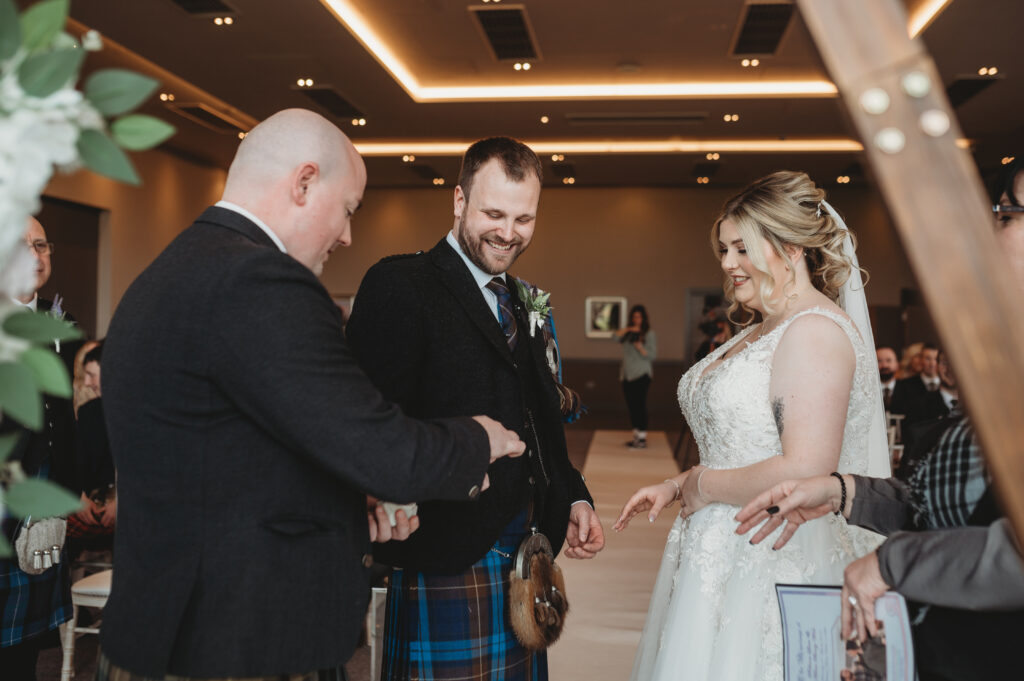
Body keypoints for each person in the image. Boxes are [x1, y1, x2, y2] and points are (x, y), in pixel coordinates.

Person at [97, 110, 526, 681]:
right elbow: (381, 448)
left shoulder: (169, 272)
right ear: (303, 183)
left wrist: (354, 504)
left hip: (165, 626)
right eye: (348, 209)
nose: (347, 235)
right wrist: (479, 436)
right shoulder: (262, 282)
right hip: (238, 642)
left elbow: (232, 460)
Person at [735, 157, 1024, 681]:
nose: (992, 228)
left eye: (1008, 214)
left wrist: (894, 563)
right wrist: (843, 492)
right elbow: (943, 504)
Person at [346, 136, 604, 681]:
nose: (508, 233)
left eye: (523, 218)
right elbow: (369, 420)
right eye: (493, 213)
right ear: (458, 201)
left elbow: (540, 417)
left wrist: (572, 492)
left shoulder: (527, 299)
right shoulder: (401, 283)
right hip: (447, 547)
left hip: (527, 557)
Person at [613, 171, 889, 681]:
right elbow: (743, 441)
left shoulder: (813, 333)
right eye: (723, 249)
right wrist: (676, 484)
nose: (726, 263)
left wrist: (700, 484)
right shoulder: (766, 328)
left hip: (771, 555)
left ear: (789, 247)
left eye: (741, 248)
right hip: (721, 551)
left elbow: (808, 468)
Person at [0, 217, 79, 680]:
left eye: (42, 244)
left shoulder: (59, 319)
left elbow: (62, 416)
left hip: (44, 491)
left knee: (24, 650)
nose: (35, 255)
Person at [614, 304, 657, 448]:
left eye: (638, 317)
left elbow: (652, 355)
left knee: (640, 405)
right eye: (634, 317)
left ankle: (642, 438)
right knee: (631, 406)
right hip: (626, 374)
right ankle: (636, 437)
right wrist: (629, 329)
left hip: (641, 374)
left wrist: (640, 347)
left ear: (643, 318)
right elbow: (614, 337)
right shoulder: (627, 333)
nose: (636, 319)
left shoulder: (648, 333)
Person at [876, 346, 899, 410]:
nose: (884, 365)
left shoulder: (909, 390)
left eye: (888, 360)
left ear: (897, 364)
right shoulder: (866, 391)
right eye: (879, 361)